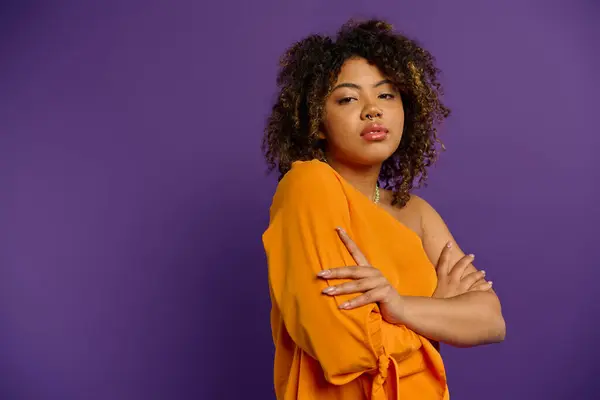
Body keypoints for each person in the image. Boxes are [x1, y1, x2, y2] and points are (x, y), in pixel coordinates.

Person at [261, 19, 506, 400]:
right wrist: (438, 315)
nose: (372, 110)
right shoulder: (308, 186)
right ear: (317, 121)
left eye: (387, 95)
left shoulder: (417, 212)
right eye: (347, 98)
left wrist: (397, 306)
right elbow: (342, 345)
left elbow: (491, 322)